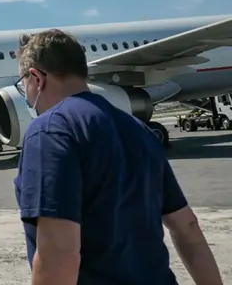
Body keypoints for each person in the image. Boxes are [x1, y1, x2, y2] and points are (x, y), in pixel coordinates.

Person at [14, 29, 223, 285]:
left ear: (36, 78)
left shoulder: (49, 131)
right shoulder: (139, 129)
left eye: (22, 84)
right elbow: (188, 227)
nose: (25, 93)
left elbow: (59, 252)